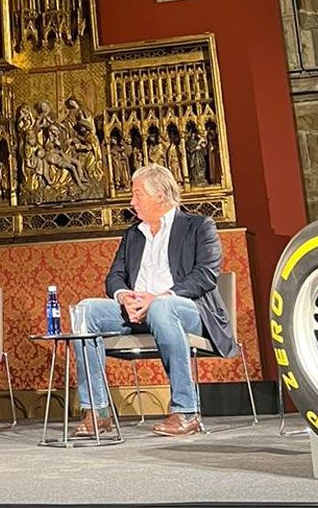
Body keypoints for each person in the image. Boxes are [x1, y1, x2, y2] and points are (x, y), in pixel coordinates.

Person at [71, 164, 235, 437]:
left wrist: (158, 298)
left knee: (161, 307)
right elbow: (115, 277)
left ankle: (185, 411)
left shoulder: (198, 226)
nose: (132, 201)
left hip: (187, 309)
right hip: (136, 312)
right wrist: (124, 297)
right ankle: (98, 412)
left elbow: (206, 276)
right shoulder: (133, 234)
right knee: (86, 310)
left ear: (160, 195)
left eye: (137, 194)